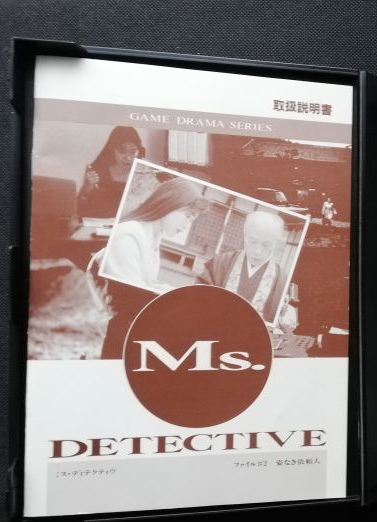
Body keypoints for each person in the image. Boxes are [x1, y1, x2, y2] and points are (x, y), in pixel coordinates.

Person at [100, 177, 205, 358]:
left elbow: (148, 282)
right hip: (125, 325)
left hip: (135, 323)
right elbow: (132, 295)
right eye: (187, 216)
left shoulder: (154, 235)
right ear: (169, 203)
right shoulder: (129, 234)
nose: (187, 225)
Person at [199, 211, 293, 326]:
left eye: (266, 245)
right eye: (252, 241)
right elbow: (200, 296)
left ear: (275, 244)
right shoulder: (221, 262)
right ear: (245, 236)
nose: (257, 251)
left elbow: (278, 319)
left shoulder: (281, 280)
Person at [78, 126, 144, 218]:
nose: (128, 158)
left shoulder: (144, 172)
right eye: (121, 152)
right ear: (112, 151)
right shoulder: (99, 170)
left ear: (139, 151)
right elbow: (80, 208)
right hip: (100, 223)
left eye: (132, 152)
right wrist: (87, 188)